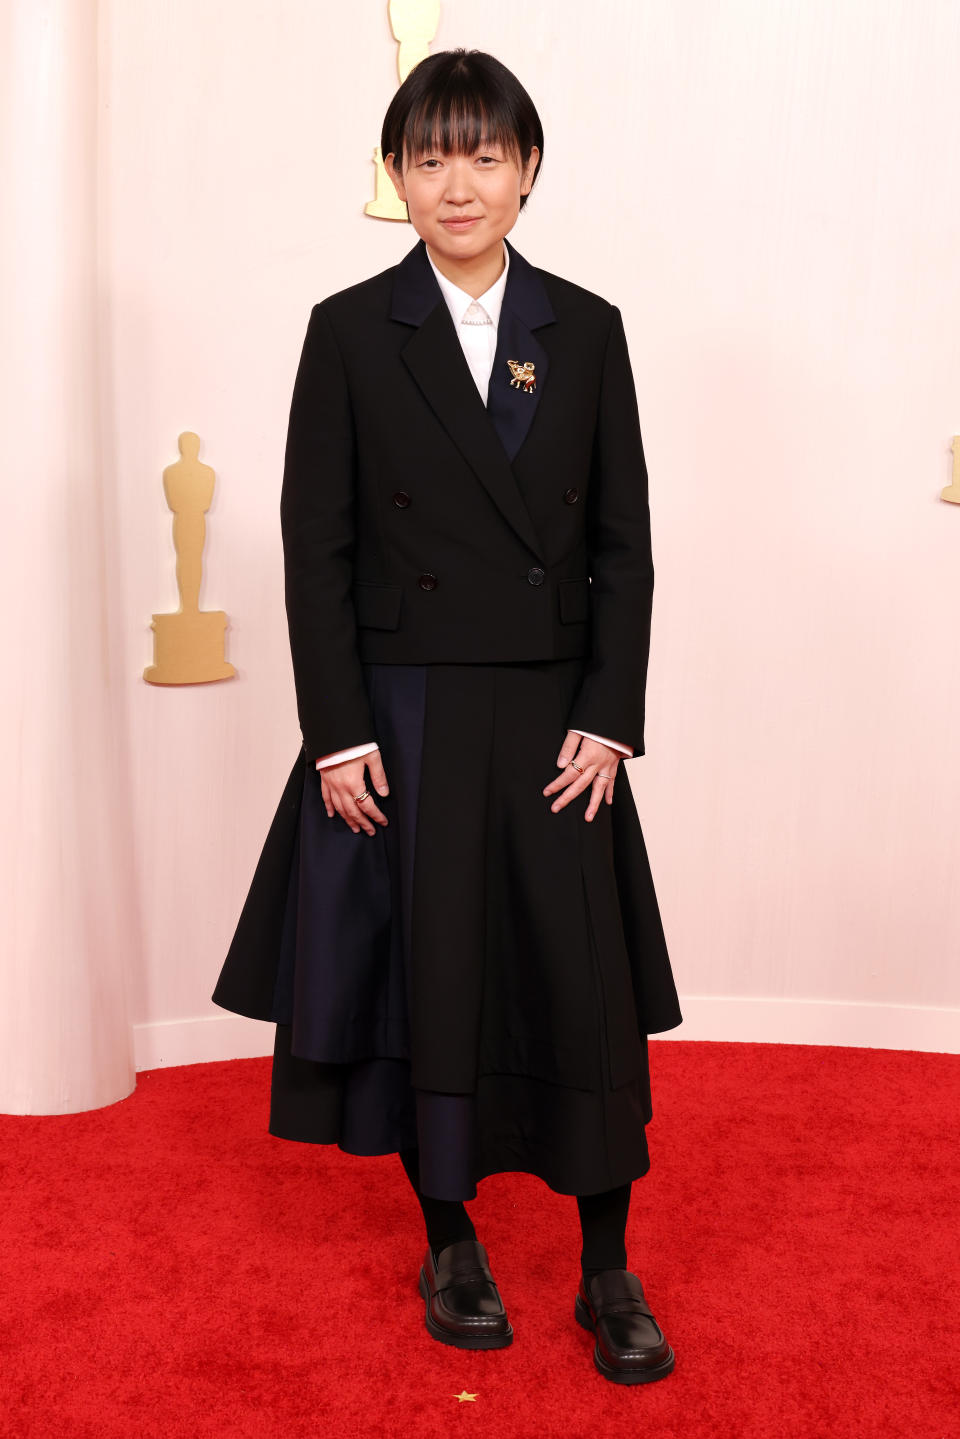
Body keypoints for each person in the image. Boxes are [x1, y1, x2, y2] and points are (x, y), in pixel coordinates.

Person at [211, 47, 683, 1385]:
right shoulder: (353, 330)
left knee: (577, 988)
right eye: (428, 157)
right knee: (436, 976)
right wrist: (338, 730)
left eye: (483, 154)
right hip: (404, 715)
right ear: (396, 179)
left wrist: (611, 713)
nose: (456, 182)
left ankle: (608, 1269)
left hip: (553, 718)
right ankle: (453, 1241)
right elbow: (321, 549)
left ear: (529, 170)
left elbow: (626, 546)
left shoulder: (586, 328)